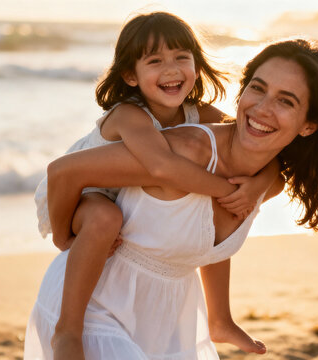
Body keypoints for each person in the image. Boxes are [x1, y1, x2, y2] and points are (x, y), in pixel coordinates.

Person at [25, 38, 318, 359]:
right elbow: (64, 172)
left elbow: (200, 233)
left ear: (309, 125)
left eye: (286, 101)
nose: (261, 109)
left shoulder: (266, 179)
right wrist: (62, 237)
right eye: (257, 89)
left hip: (170, 321)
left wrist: (220, 317)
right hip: (91, 307)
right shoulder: (184, 152)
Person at [33, 12, 280, 359]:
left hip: (134, 195)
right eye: (155, 61)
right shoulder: (129, 115)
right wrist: (63, 236)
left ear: (196, 64)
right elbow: (162, 167)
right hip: (87, 194)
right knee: (105, 220)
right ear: (130, 75)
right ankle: (68, 330)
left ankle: (220, 319)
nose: (171, 69)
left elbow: (250, 143)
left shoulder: (199, 113)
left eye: (182, 57)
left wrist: (255, 186)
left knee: (205, 207)